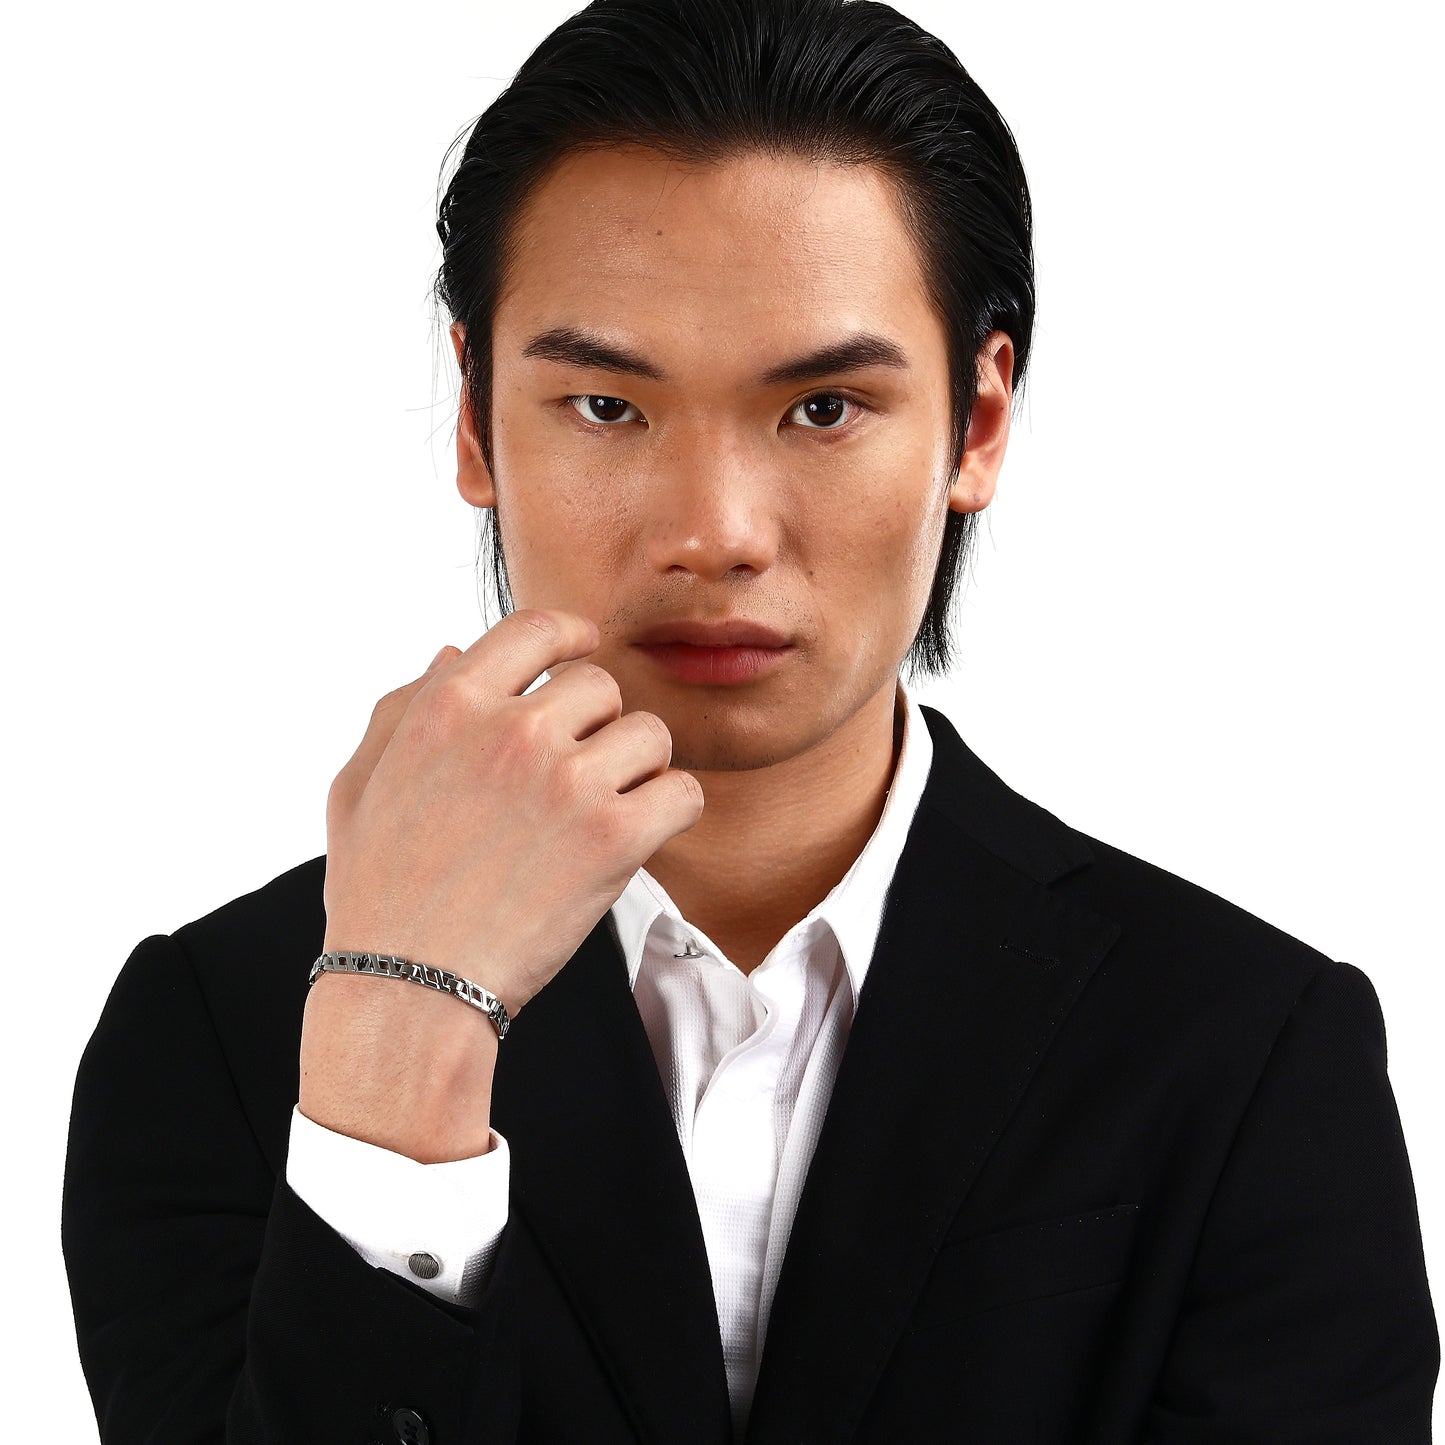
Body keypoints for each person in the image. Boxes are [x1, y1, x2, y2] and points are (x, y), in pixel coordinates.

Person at [62, 0, 1438, 1439]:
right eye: (606, 406)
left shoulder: (1246, 1047)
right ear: (474, 418)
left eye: (824, 408)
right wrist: (399, 1057)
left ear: (976, 422)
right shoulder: (223, 1032)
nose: (714, 532)